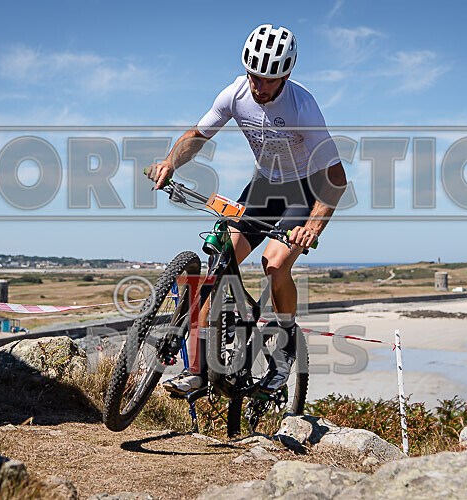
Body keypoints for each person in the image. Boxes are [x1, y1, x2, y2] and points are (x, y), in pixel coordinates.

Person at [146, 24, 347, 395]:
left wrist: (313, 229)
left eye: (269, 80)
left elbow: (336, 177)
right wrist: (170, 164)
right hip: (264, 186)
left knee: (274, 263)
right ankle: (198, 372)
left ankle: (286, 340)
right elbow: (197, 136)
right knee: (219, 262)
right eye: (255, 76)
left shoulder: (303, 107)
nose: (259, 86)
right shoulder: (236, 93)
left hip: (304, 190)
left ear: (286, 74)